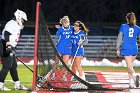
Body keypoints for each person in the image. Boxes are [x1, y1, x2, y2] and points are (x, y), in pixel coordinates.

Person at [0, 9, 28, 91]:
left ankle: (17, 84)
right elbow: (6, 34)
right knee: (7, 66)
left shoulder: (15, 24)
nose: (23, 21)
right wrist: (8, 46)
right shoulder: (12, 23)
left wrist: (11, 47)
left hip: (10, 45)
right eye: (22, 19)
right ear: (19, 17)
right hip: (5, 45)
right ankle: (0, 84)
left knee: (13, 66)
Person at [116, 12, 140, 88]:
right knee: (130, 66)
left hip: (126, 48)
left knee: (129, 67)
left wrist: (117, 48)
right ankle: (131, 83)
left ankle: (135, 76)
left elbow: (120, 37)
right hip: (134, 49)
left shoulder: (123, 26)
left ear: (127, 19)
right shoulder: (138, 28)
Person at [51, 16, 73, 81]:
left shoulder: (72, 28)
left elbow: (78, 30)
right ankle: (53, 74)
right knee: (56, 62)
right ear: (62, 23)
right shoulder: (60, 29)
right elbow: (57, 35)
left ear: (69, 23)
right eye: (64, 23)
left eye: (66, 22)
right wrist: (59, 28)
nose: (65, 24)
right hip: (60, 47)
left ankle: (64, 76)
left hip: (67, 48)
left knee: (65, 63)